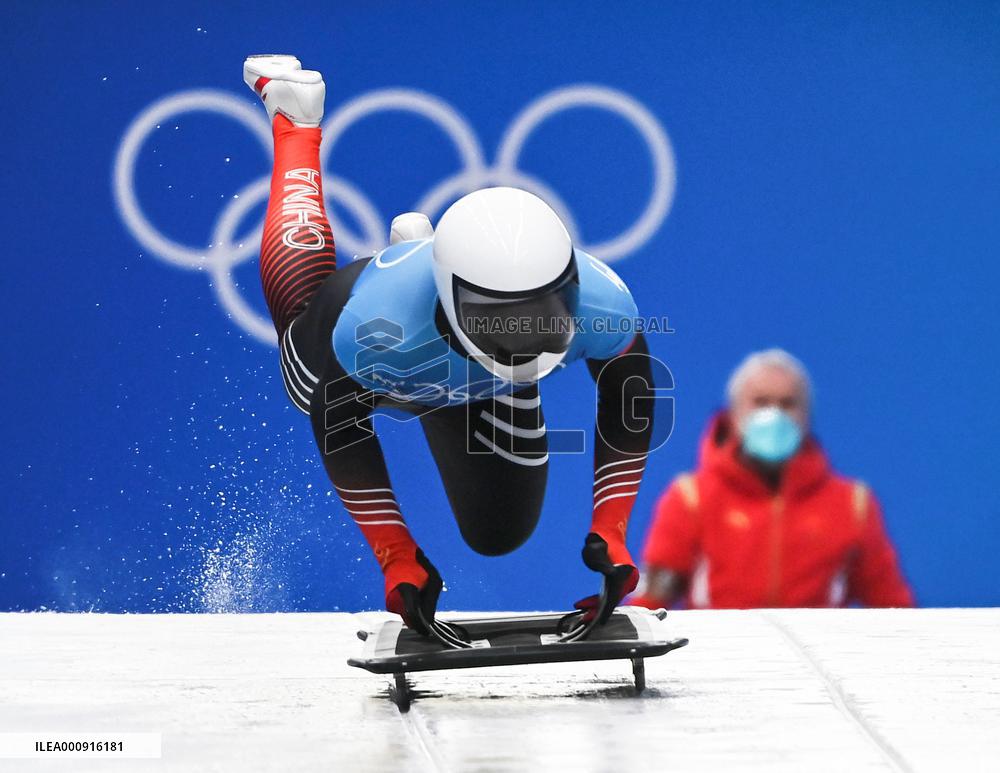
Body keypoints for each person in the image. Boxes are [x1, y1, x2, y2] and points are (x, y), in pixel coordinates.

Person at [243, 55, 656, 631]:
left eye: (544, 314)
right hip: (388, 346)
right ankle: (295, 124)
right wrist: (395, 555)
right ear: (450, 296)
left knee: (498, 534)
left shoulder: (605, 305)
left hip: (462, 371)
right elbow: (343, 431)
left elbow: (631, 397)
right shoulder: (369, 331)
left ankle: (421, 249)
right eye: (500, 319)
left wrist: (612, 530)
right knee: (302, 366)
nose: (525, 335)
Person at [633, 349, 914, 609]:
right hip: (718, 658)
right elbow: (652, 600)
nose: (774, 414)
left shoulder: (853, 505)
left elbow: (893, 608)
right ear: (733, 413)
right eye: (761, 402)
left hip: (814, 658)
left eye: (787, 403)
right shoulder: (690, 498)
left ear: (806, 415)